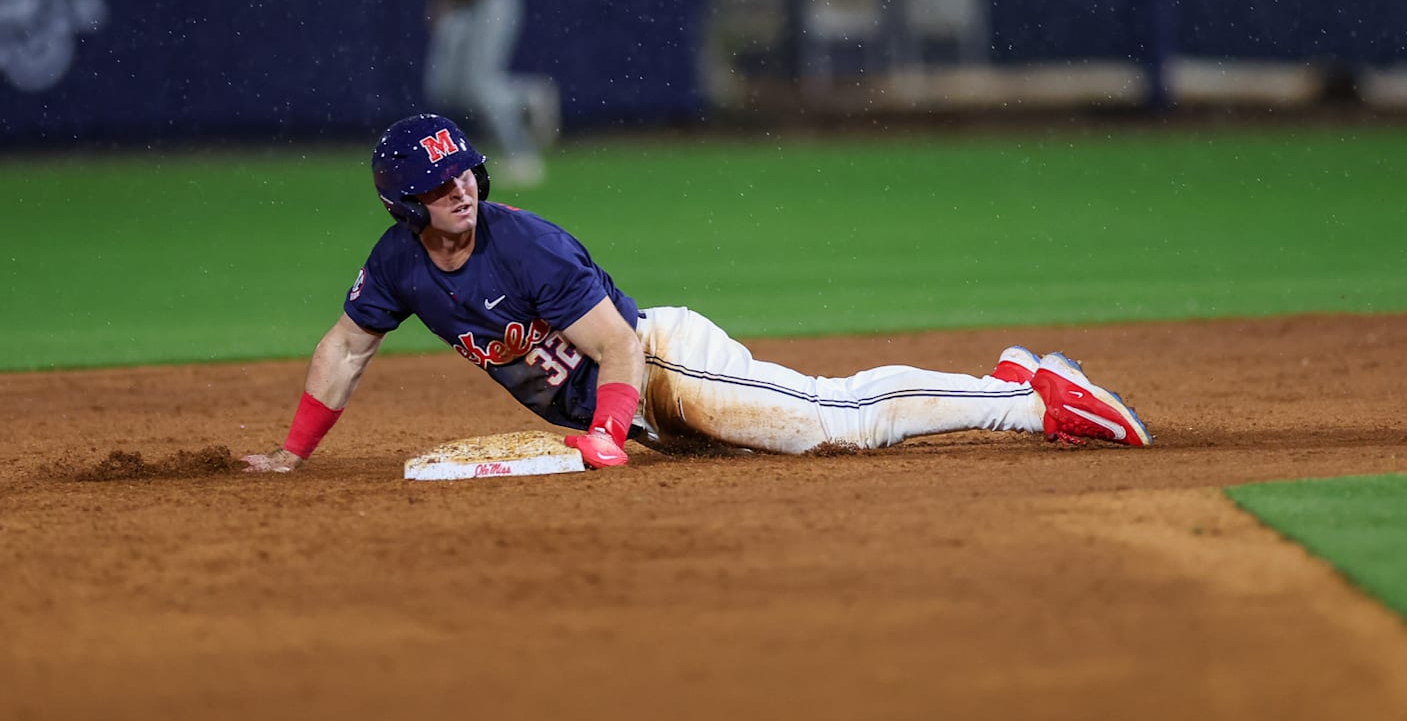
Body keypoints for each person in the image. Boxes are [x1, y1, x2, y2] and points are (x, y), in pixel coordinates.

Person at [241, 114, 1151, 474]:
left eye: (466, 175)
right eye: (441, 189)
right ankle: (1010, 377)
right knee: (815, 429)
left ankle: (1034, 403)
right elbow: (344, 348)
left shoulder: (527, 246)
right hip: (639, 410)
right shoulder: (398, 265)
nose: (463, 191)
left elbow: (618, 348)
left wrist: (605, 427)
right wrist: (293, 453)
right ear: (407, 208)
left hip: (665, 364)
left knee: (833, 424)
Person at [409, 0, 558, 186]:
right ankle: (527, 96)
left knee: (482, 85)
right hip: (464, 6)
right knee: (447, 88)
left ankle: (522, 157)